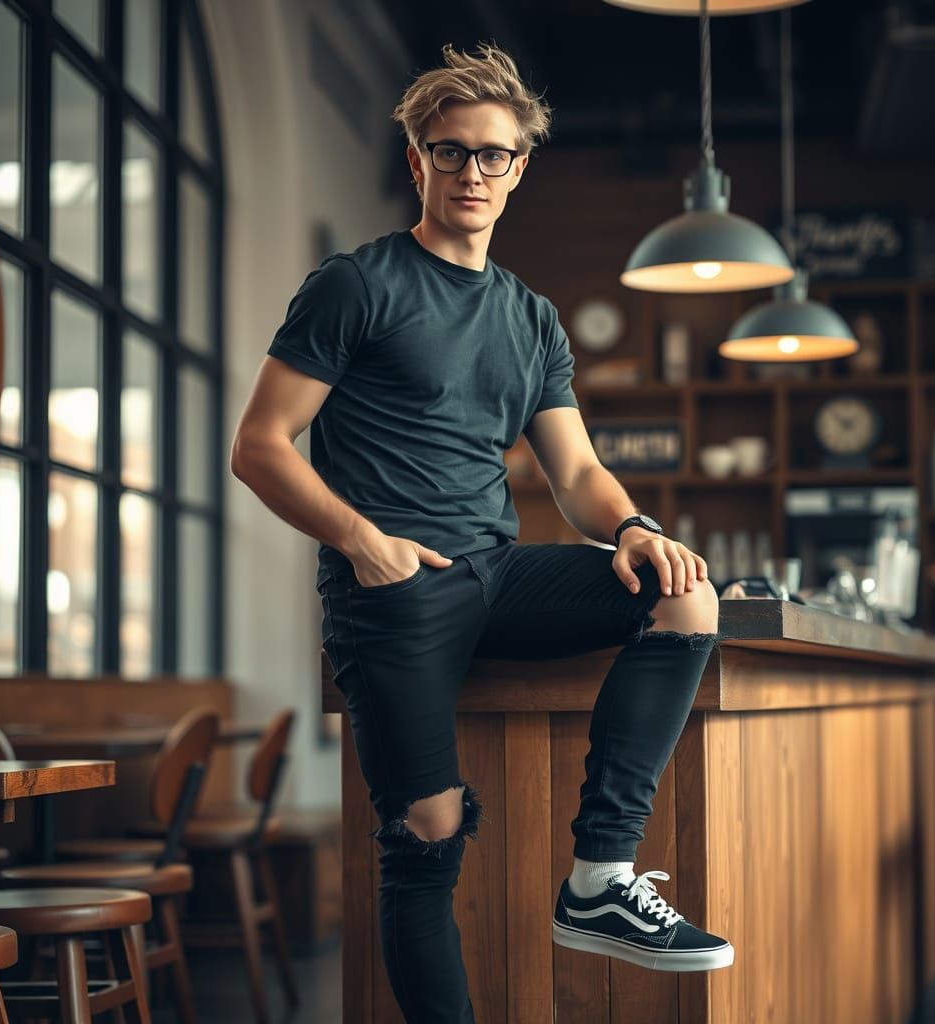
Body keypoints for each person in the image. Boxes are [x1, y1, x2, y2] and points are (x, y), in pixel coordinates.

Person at [231, 41, 733, 1024]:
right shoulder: (355, 285)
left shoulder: (533, 320)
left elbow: (577, 471)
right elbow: (259, 445)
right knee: (428, 831)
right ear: (416, 161)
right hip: (394, 588)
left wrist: (629, 527)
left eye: (491, 154)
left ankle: (600, 873)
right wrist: (364, 542)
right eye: (448, 151)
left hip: (496, 573)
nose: (471, 171)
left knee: (684, 592)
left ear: (519, 168)